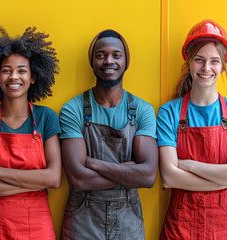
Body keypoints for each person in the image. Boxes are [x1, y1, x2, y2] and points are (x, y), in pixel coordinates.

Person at [158, 19, 227, 239]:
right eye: (199, 60)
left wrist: (187, 165)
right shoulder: (168, 113)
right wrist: (225, 176)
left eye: (214, 61)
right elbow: (169, 178)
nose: (206, 68)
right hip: (180, 226)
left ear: (222, 66)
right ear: (189, 62)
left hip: (224, 226)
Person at [60, 29, 158, 240]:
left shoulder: (142, 109)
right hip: (83, 216)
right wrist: (130, 170)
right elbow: (78, 179)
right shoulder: (73, 108)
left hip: (128, 216)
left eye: (116, 55)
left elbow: (148, 176)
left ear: (126, 61)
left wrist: (93, 163)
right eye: (101, 55)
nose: (108, 61)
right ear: (92, 61)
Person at [0, 26, 61, 239]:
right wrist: (35, 182)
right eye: (6, 70)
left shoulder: (47, 117)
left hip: (37, 226)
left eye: (21, 70)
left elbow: (54, 178)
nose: (14, 77)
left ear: (33, 77)